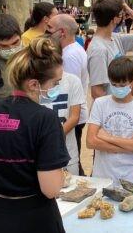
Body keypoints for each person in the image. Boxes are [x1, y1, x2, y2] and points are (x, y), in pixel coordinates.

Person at [0, 38, 70, 233]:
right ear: (33, 84)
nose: (58, 87)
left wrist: (3, 174)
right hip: (32, 217)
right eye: (55, 82)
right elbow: (51, 189)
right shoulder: (45, 120)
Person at [86, 57, 133, 184]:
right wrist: (129, 146)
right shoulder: (100, 104)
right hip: (102, 176)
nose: (118, 88)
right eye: (114, 84)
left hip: (131, 177)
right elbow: (90, 142)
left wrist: (107, 137)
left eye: (122, 85)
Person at [46, 14, 89, 176]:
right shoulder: (73, 49)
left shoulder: (69, 56)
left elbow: (66, 91)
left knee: (70, 159)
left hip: (70, 117)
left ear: (62, 32)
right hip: (70, 115)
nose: (47, 31)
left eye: (50, 28)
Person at [87, 0, 133, 100]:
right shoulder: (98, 50)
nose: (124, 16)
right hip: (113, 111)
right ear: (115, 19)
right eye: (122, 14)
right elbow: (97, 91)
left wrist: (128, 9)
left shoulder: (115, 38)